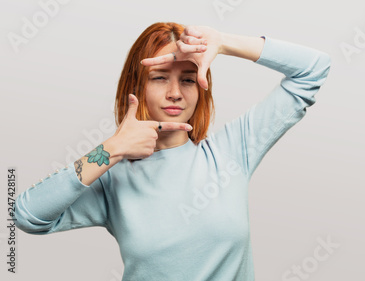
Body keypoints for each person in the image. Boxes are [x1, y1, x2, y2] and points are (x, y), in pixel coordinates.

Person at [13, 22, 331, 280]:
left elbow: (313, 69)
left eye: (188, 80)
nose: (175, 93)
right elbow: (27, 215)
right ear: (135, 87)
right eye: (160, 77)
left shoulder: (231, 152)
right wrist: (110, 150)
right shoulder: (112, 179)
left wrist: (223, 42)